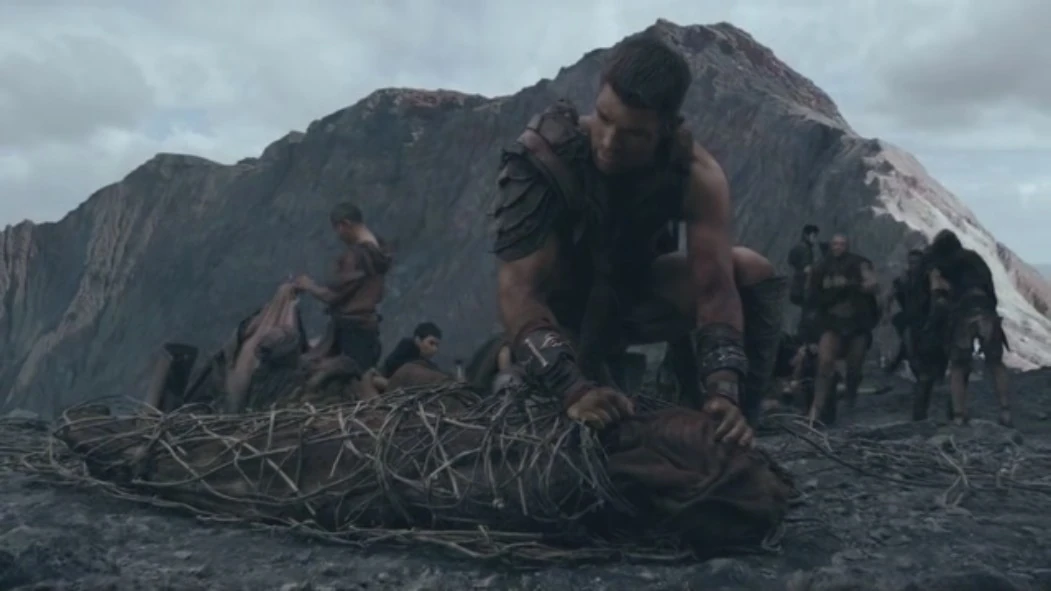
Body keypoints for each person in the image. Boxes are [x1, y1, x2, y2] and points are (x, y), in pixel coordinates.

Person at [491, 34, 786, 446]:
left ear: (665, 129)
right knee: (551, 418)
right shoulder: (546, 157)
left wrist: (725, 390)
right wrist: (571, 386)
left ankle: (732, 425)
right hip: (557, 316)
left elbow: (715, 289)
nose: (609, 143)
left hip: (632, 301)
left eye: (634, 134)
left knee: (750, 269)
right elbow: (519, 291)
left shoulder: (696, 175)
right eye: (604, 118)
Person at [923, 229, 1012, 426]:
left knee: (958, 366)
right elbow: (990, 287)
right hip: (986, 310)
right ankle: (1005, 411)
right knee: (996, 363)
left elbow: (938, 293)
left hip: (962, 313)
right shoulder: (975, 259)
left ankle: (959, 415)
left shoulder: (939, 265)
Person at [294, 202, 392, 373]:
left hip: (351, 333)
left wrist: (308, 286)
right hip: (368, 329)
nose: (338, 235)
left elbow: (333, 296)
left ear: (345, 224)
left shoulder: (355, 256)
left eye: (337, 229)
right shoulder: (380, 250)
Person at [804, 233, 880, 425]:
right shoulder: (821, 267)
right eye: (835, 244)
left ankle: (850, 401)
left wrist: (854, 285)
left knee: (854, 367)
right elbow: (810, 296)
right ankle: (816, 411)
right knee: (824, 365)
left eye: (841, 244)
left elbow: (872, 284)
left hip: (857, 323)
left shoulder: (859, 263)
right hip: (831, 322)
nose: (838, 247)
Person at [884, 249, 926, 375]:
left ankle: (896, 362)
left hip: (926, 317)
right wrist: (886, 312)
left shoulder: (927, 279)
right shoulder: (902, 280)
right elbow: (889, 296)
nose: (914, 266)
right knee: (909, 343)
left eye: (917, 263)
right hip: (908, 318)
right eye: (911, 262)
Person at [788, 224, 820, 308]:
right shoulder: (806, 249)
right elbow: (807, 270)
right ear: (806, 235)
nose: (815, 239)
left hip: (794, 287)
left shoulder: (796, 247)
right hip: (803, 289)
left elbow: (791, 263)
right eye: (814, 236)